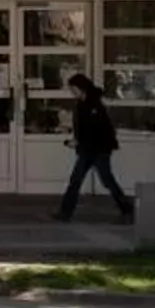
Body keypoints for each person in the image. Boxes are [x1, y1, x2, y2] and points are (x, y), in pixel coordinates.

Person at [56, 74, 136, 223]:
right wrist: (76, 139)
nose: (72, 92)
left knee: (107, 180)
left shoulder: (95, 105)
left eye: (73, 88)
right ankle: (65, 212)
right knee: (76, 180)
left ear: (81, 88)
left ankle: (127, 209)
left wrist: (78, 142)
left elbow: (97, 130)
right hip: (87, 149)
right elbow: (84, 128)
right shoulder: (81, 104)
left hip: (99, 149)